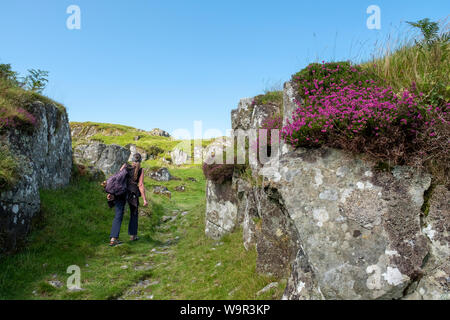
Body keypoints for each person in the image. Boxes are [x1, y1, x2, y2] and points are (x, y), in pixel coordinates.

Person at [109, 153, 148, 246]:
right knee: (134, 214)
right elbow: (141, 185)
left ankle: (113, 238)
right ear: (140, 161)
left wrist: (111, 192)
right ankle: (133, 236)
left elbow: (117, 179)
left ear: (132, 160)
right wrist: (144, 199)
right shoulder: (140, 170)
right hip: (132, 193)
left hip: (121, 191)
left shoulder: (125, 166)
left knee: (118, 214)